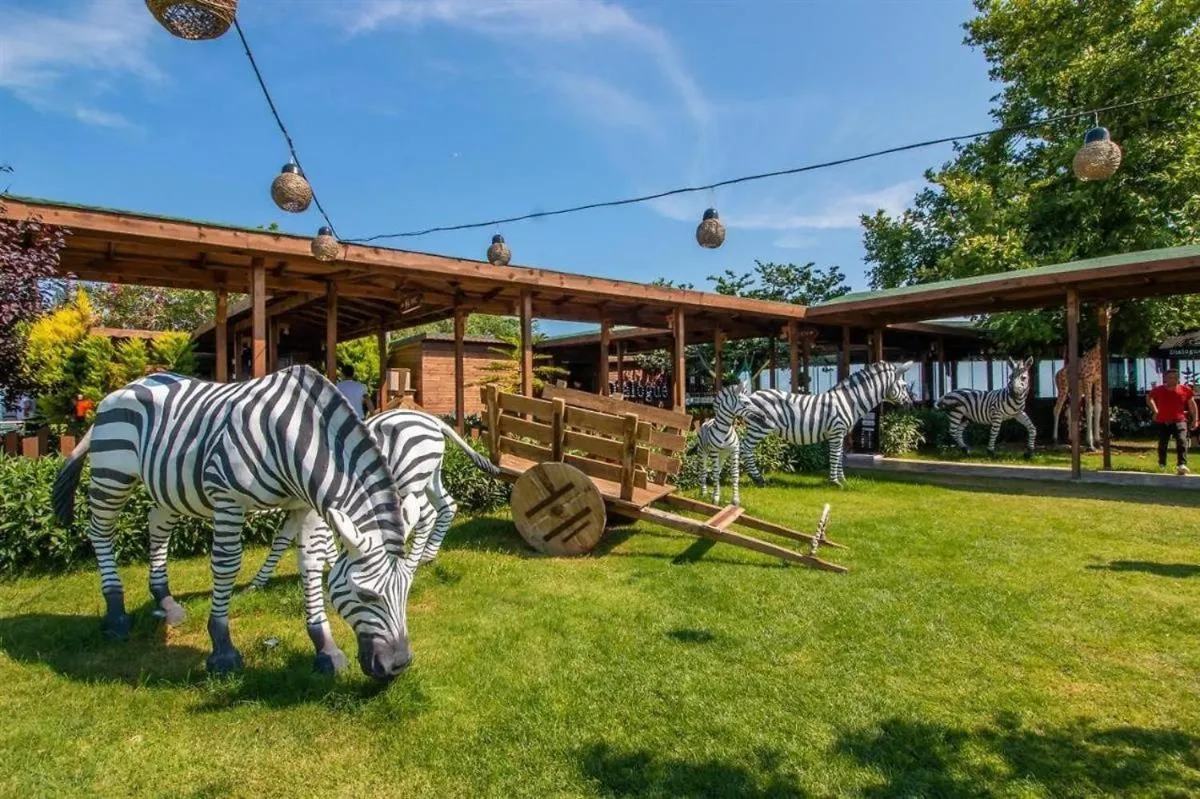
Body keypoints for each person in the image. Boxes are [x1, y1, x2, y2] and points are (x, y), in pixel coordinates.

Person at [1146, 367, 1198, 474]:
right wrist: (1155, 411)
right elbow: (1149, 398)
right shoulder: (1159, 390)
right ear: (1165, 378)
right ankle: (1162, 464)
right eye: (1170, 377)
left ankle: (1182, 464)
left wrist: (1195, 419)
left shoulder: (1185, 390)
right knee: (1163, 443)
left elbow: (1192, 405)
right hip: (1163, 420)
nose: (1172, 380)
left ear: (1178, 379)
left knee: (1181, 440)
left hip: (1179, 420)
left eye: (1175, 378)